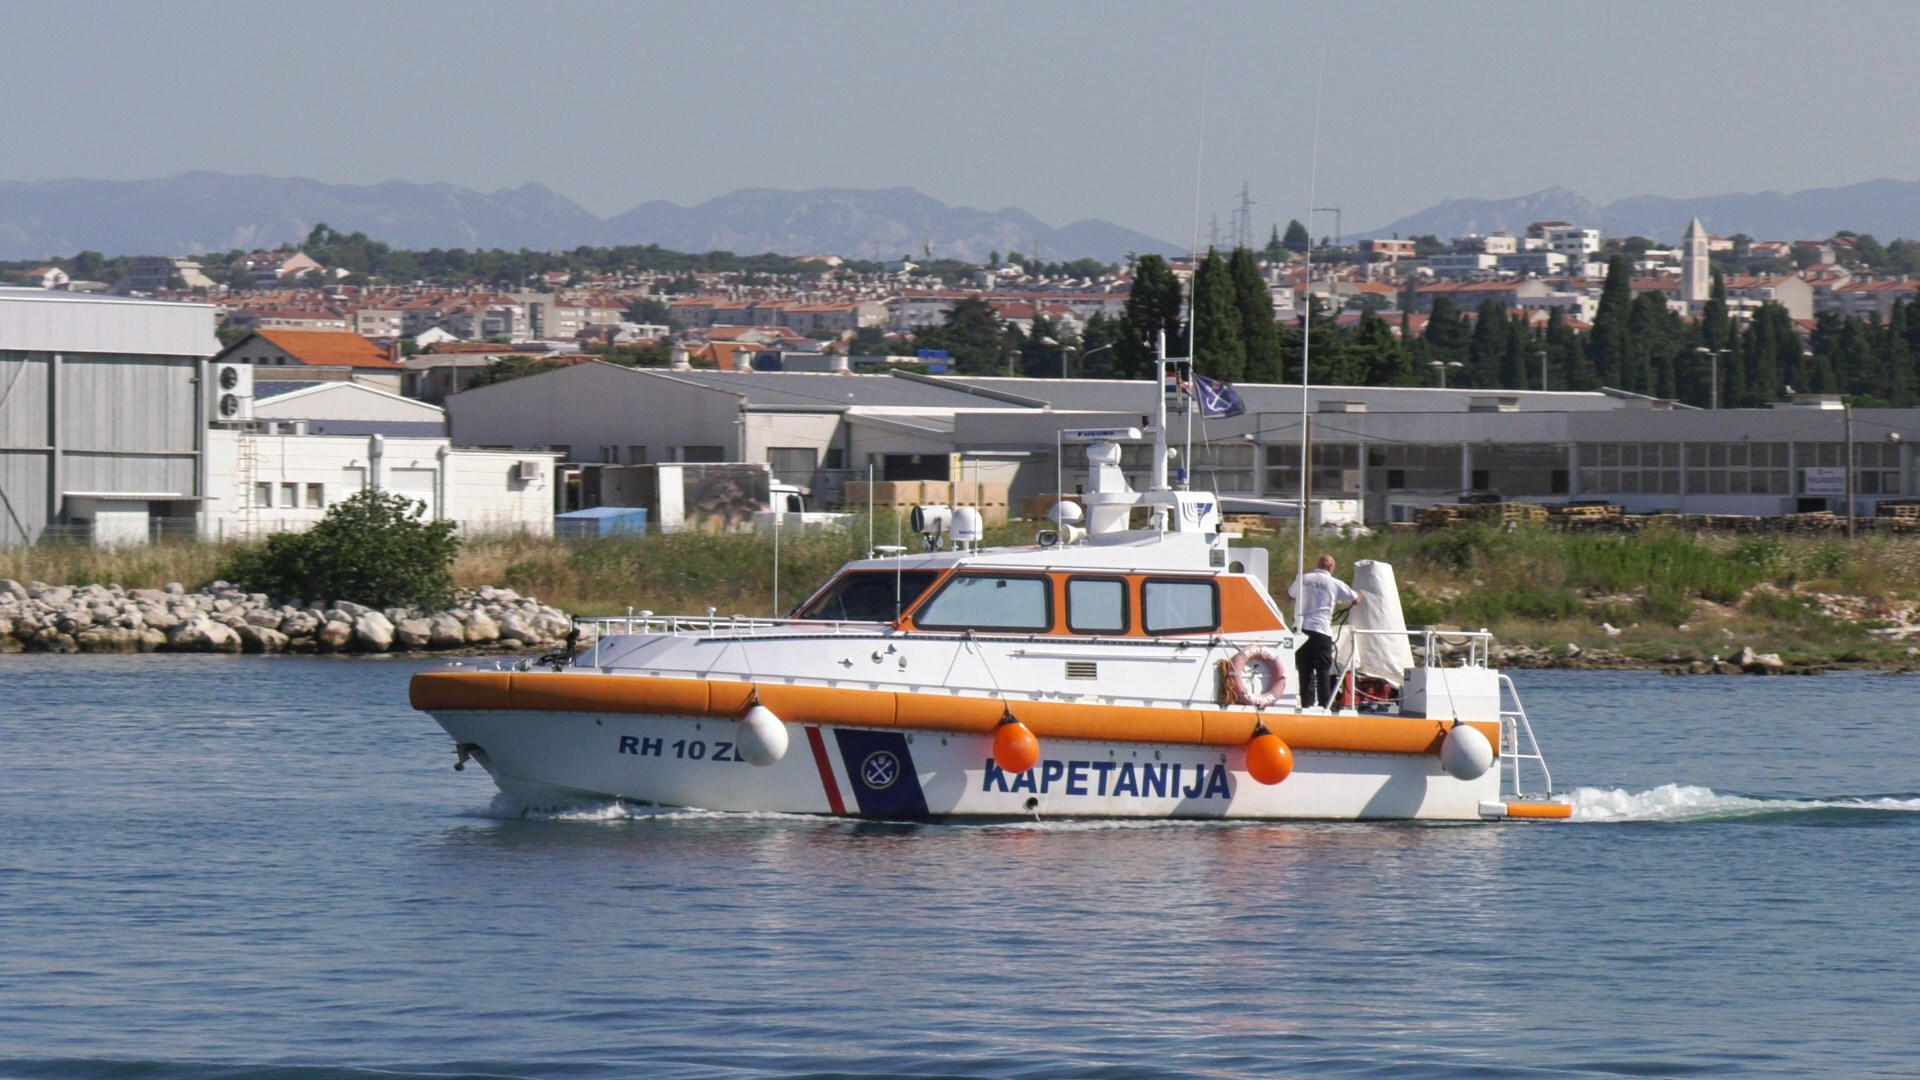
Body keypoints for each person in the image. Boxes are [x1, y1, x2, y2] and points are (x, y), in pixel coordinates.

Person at [1287, 554, 1362, 711]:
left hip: (1302, 629)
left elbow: (1291, 593)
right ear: (1331, 567)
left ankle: (1307, 703)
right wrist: (1361, 595)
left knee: (1304, 668)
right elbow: (1354, 599)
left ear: (1318, 564)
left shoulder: (1303, 578)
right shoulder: (1334, 583)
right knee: (1323, 669)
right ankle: (1324, 704)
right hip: (1321, 631)